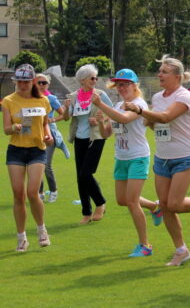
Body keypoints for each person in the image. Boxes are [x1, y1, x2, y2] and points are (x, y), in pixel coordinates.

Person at [124, 56, 190, 266]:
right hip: (162, 157)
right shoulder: (158, 97)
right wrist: (147, 119)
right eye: (159, 71)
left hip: (184, 155)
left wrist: (140, 111)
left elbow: (167, 117)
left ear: (177, 76)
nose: (159, 74)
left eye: (164, 71)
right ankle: (181, 250)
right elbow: (156, 123)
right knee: (166, 206)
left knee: (175, 203)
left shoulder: (184, 96)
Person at [91, 69, 161, 257]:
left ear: (134, 85)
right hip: (121, 158)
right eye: (119, 84)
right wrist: (99, 122)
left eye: (125, 84)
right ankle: (155, 207)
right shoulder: (118, 104)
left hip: (138, 156)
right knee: (122, 200)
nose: (121, 88)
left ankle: (145, 245)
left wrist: (100, 105)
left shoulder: (139, 104)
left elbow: (124, 118)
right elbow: (106, 133)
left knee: (131, 201)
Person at [3, 64, 53, 251]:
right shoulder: (8, 100)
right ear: (15, 82)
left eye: (26, 81)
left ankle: (41, 230)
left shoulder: (43, 101)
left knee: (33, 192)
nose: (22, 85)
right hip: (16, 149)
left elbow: (45, 124)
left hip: (36, 149)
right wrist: (14, 127)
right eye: (19, 81)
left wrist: (48, 135)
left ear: (33, 81)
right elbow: (6, 129)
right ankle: (21, 237)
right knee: (18, 194)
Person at [63, 64, 110, 224]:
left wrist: (98, 119)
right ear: (82, 80)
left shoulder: (101, 95)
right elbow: (66, 117)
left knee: (85, 173)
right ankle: (86, 212)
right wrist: (66, 108)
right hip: (79, 138)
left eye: (96, 77)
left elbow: (111, 112)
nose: (95, 80)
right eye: (92, 78)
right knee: (80, 177)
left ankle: (100, 203)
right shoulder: (73, 96)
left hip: (96, 137)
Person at [36, 73, 68, 203]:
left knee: (46, 165)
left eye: (45, 83)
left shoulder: (51, 98)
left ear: (48, 84)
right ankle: (40, 192)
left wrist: (52, 119)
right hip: (35, 135)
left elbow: (64, 115)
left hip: (50, 134)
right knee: (37, 165)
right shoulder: (30, 98)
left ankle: (53, 191)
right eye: (39, 82)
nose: (42, 85)